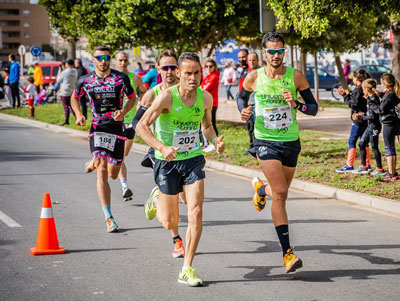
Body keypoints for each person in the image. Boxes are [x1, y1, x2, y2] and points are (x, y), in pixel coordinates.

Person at [136, 52, 225, 286]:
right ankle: (157, 198)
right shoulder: (166, 97)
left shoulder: (205, 98)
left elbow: (207, 126)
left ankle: (187, 267)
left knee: (195, 211)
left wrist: (215, 142)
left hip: (193, 159)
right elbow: (142, 127)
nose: (193, 77)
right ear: (178, 73)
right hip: (166, 162)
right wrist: (161, 147)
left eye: (197, 72)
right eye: (188, 73)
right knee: (169, 222)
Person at [238, 32, 318, 273]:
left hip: (290, 141)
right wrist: (244, 112)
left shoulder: (295, 76)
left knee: (279, 192)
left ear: (284, 51)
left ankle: (261, 189)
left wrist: (296, 104)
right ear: (263, 53)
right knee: (281, 193)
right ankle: (287, 253)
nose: (276, 55)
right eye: (271, 51)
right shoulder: (253, 77)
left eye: (279, 50)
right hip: (265, 141)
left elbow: (313, 108)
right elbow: (242, 99)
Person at [71, 45, 137, 233]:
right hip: (97, 128)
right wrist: (78, 115)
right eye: (99, 58)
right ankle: (109, 218)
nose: (103, 61)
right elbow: (74, 99)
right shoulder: (85, 80)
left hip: (117, 129)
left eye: (106, 58)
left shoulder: (120, 78)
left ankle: (95, 161)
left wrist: (123, 111)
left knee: (113, 174)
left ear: (110, 59)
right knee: (101, 170)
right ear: (93, 60)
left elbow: (132, 98)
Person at [132, 49, 186, 258]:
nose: (170, 71)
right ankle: (177, 239)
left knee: (186, 200)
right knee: (168, 212)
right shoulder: (152, 94)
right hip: (161, 154)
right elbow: (137, 122)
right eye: (165, 68)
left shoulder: (187, 91)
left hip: (186, 153)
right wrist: (156, 144)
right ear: (158, 69)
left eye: (173, 67)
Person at [85, 51, 147, 201]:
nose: (123, 63)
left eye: (125, 60)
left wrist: (140, 105)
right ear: (115, 62)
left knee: (122, 155)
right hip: (110, 123)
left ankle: (99, 159)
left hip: (130, 121)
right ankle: (124, 186)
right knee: (110, 161)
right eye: (120, 60)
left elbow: (144, 94)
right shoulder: (107, 78)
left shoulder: (134, 78)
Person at [336, 69, 371, 173]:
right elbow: (358, 99)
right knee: (363, 141)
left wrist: (345, 96)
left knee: (352, 141)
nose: (352, 80)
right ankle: (367, 164)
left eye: (353, 78)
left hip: (357, 120)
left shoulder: (358, 89)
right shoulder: (364, 88)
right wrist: (349, 93)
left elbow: (352, 104)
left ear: (357, 78)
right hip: (365, 118)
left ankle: (349, 164)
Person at [352, 79, 384, 175]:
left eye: (363, 89)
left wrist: (361, 116)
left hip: (374, 126)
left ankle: (380, 169)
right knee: (362, 143)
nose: (362, 90)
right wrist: (363, 113)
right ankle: (363, 166)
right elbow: (370, 113)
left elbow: (373, 116)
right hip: (370, 125)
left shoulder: (373, 99)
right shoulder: (370, 98)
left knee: (374, 146)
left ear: (366, 89)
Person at [238, 52, 260, 157]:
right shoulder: (245, 71)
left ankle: (257, 149)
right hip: (246, 104)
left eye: (253, 60)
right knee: (250, 127)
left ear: (257, 60)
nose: (251, 62)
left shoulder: (260, 72)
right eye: (250, 60)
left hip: (255, 104)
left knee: (256, 128)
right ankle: (252, 148)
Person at [378, 73, 400, 181]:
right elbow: (388, 101)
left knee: (389, 148)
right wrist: (380, 95)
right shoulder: (392, 92)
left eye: (381, 83)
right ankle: (393, 172)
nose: (380, 84)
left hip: (389, 124)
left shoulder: (389, 94)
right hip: (393, 122)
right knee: (391, 148)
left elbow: (380, 109)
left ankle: (391, 173)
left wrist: (372, 101)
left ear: (385, 83)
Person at [201, 57, 220, 152]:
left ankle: (215, 143)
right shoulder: (207, 77)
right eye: (206, 66)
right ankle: (208, 143)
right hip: (206, 103)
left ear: (214, 66)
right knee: (206, 123)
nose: (208, 68)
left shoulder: (214, 77)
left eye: (210, 66)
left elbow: (204, 89)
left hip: (213, 103)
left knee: (211, 123)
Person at [57, 59, 78, 126]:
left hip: (64, 92)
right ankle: (77, 118)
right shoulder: (75, 71)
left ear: (67, 64)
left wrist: (59, 72)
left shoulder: (65, 72)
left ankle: (66, 120)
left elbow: (58, 80)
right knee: (73, 106)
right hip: (72, 91)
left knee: (66, 106)